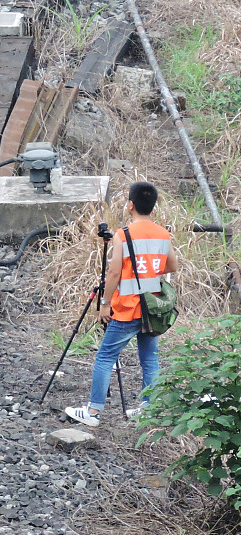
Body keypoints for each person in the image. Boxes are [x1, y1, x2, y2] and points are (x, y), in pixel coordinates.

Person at [66, 181, 179, 428]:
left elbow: (114, 273)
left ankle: (93, 413)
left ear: (130, 205)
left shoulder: (123, 235)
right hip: (152, 309)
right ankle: (148, 409)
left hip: (127, 309)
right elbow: (171, 266)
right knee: (150, 361)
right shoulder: (163, 233)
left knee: (105, 357)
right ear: (152, 206)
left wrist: (105, 303)